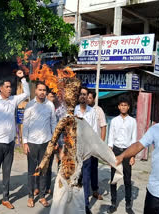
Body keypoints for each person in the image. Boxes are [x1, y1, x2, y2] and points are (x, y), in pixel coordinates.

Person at [34, 78, 123, 214]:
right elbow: (52, 143)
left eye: (74, 95)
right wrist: (43, 163)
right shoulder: (64, 120)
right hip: (65, 168)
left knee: (76, 203)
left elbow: (95, 142)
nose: (71, 98)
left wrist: (112, 159)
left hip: (78, 167)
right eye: (70, 95)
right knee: (60, 203)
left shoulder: (81, 122)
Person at [0, 70, 29, 210]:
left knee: (7, 171)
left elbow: (27, 94)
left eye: (11, 87)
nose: (10, 89)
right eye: (7, 87)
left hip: (10, 142)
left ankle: (5, 198)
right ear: (1, 88)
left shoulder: (13, 100)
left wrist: (23, 79)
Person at [22, 82, 56, 208]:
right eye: (40, 90)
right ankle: (30, 196)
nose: (42, 92)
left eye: (44, 90)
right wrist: (25, 142)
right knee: (31, 171)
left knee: (43, 170)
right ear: (35, 91)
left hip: (46, 142)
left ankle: (41, 196)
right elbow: (25, 125)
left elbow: (53, 123)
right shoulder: (30, 105)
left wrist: (53, 141)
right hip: (32, 142)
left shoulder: (50, 105)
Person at [107, 96, 137, 214]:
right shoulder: (114, 121)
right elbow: (110, 138)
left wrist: (133, 156)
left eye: (125, 105)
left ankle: (128, 205)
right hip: (115, 151)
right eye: (121, 105)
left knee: (127, 179)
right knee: (114, 179)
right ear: (118, 107)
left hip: (128, 151)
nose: (123, 107)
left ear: (128, 107)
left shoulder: (133, 121)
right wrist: (110, 154)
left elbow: (134, 139)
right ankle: (113, 203)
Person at [74, 87, 98, 214]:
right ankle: (73, 204)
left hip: (87, 150)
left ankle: (85, 205)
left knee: (86, 178)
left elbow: (95, 131)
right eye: (81, 94)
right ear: (78, 96)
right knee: (75, 177)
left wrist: (92, 148)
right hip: (75, 149)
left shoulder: (92, 112)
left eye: (85, 94)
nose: (83, 96)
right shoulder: (73, 110)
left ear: (88, 96)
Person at [87, 91, 106, 200]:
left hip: (94, 145)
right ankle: (81, 191)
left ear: (94, 99)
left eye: (90, 97)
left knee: (94, 168)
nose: (88, 99)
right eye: (87, 97)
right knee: (82, 168)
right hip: (83, 146)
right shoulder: (81, 109)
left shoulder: (99, 110)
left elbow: (103, 126)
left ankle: (95, 190)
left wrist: (101, 143)